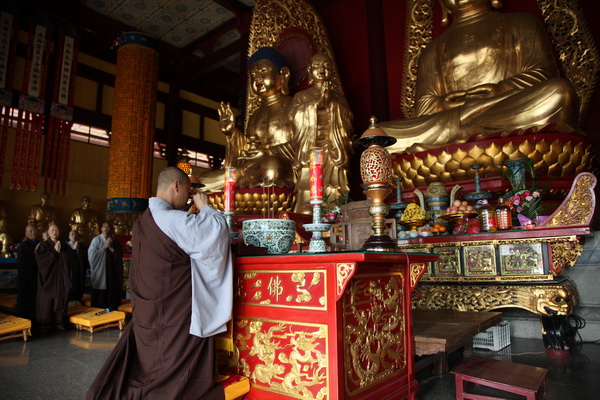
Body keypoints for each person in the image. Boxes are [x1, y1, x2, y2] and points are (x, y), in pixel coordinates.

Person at [87, 167, 232, 399]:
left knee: (151, 357)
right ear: (176, 186)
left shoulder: (144, 219)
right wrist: (205, 206)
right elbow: (215, 234)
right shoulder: (171, 219)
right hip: (173, 310)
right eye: (187, 191)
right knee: (170, 358)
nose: (188, 198)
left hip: (149, 307)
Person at [380, 0, 578, 154]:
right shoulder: (432, 50)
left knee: (560, 93)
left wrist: (500, 90)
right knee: (379, 137)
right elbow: (423, 109)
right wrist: (443, 105)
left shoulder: (521, 23)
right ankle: (471, 131)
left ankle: (469, 133)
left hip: (502, 109)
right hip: (452, 121)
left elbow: (542, 74)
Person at [200, 47, 295, 191]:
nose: (257, 78)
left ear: (284, 75)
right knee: (203, 181)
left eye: (263, 71)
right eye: (252, 74)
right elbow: (246, 151)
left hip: (280, 169)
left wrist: (269, 152)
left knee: (272, 167)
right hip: (252, 170)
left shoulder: (294, 105)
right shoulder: (255, 115)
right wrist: (231, 133)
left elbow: (304, 146)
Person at [290, 52, 354, 212]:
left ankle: (335, 209)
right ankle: (308, 208)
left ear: (331, 71)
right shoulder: (301, 96)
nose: (322, 69)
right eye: (317, 66)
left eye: (326, 66)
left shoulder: (338, 97)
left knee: (335, 189)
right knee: (308, 186)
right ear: (310, 70)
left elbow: (349, 119)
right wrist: (314, 105)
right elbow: (292, 118)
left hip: (333, 147)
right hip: (311, 148)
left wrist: (333, 105)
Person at [34, 223, 75, 330]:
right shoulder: (43, 245)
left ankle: (59, 322)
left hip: (60, 278)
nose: (54, 232)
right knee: (47, 300)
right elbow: (40, 261)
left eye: (56, 230)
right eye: (52, 230)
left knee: (60, 298)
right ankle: (45, 322)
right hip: (48, 278)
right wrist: (54, 252)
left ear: (59, 232)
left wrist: (61, 253)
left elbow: (71, 258)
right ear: (48, 232)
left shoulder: (64, 245)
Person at [88, 222, 123, 311]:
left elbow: (119, 254)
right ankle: (98, 313)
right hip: (100, 271)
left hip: (111, 272)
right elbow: (91, 255)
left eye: (108, 226)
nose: (106, 228)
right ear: (101, 229)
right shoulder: (97, 240)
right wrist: (104, 247)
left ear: (111, 229)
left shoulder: (114, 240)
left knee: (111, 291)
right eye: (104, 226)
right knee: (100, 296)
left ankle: (111, 313)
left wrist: (111, 248)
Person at [16, 224, 39, 324]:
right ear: (26, 233)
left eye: (34, 230)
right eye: (30, 231)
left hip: (37, 277)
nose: (33, 232)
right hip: (26, 277)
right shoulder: (23, 245)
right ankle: (23, 322)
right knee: (25, 300)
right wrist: (35, 256)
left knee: (36, 300)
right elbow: (21, 262)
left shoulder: (40, 243)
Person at [67, 230, 89, 305]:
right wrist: (73, 249)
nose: (74, 236)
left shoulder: (82, 247)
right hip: (70, 270)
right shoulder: (66, 246)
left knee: (79, 284)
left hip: (80, 269)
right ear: (69, 237)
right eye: (72, 234)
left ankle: (78, 300)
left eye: (76, 234)